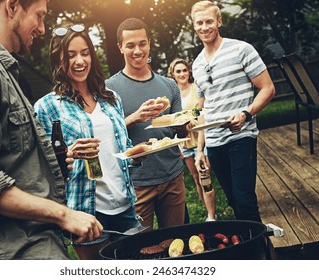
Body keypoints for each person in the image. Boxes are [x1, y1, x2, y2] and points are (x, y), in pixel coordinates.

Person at [0, 0, 102, 260]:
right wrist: (64, 214)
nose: (43, 29)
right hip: (12, 251)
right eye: (39, 16)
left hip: (33, 241)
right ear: (12, 6)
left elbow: (11, 160)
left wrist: (50, 166)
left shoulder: (0, 65)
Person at [34, 23, 142, 259]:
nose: (80, 61)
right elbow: (41, 167)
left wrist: (138, 153)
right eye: (71, 55)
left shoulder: (111, 98)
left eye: (84, 53)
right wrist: (68, 155)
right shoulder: (46, 106)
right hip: (86, 210)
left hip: (125, 203)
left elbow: (122, 148)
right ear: (58, 59)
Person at [190, 1, 275, 222]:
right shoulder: (197, 64)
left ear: (219, 21)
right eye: (199, 23)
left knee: (244, 200)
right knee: (233, 201)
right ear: (194, 26)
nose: (205, 27)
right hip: (214, 143)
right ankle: (250, 247)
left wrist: (246, 114)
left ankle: (259, 252)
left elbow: (268, 88)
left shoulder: (241, 49)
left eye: (209, 21)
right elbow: (204, 109)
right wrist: (200, 150)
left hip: (241, 137)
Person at [106, 18, 188, 230]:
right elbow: (106, 135)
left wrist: (186, 122)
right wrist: (135, 117)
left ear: (149, 43)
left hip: (172, 177)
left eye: (142, 43)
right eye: (130, 45)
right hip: (137, 183)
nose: (137, 50)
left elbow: (179, 132)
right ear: (120, 47)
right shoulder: (108, 90)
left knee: (176, 243)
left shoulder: (170, 85)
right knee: (141, 250)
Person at [168, 58, 216, 222]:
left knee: (205, 175)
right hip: (185, 143)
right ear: (173, 75)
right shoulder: (173, 94)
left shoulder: (196, 89)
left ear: (189, 72)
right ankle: (206, 210)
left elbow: (202, 117)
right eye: (178, 71)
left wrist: (200, 149)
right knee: (196, 178)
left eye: (184, 70)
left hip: (200, 139)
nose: (182, 74)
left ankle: (212, 215)